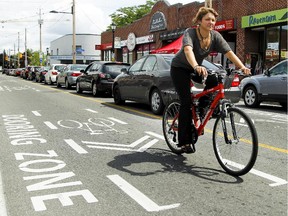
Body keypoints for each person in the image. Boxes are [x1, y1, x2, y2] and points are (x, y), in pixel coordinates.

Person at [170, 7, 251, 153]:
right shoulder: (191, 32)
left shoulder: (215, 36)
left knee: (214, 78)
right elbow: (188, 50)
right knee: (186, 102)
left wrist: (242, 67)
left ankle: (202, 109)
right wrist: (195, 66)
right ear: (200, 21)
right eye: (207, 19)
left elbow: (230, 53)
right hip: (180, 68)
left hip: (196, 67)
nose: (211, 22)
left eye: (213, 20)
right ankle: (184, 141)